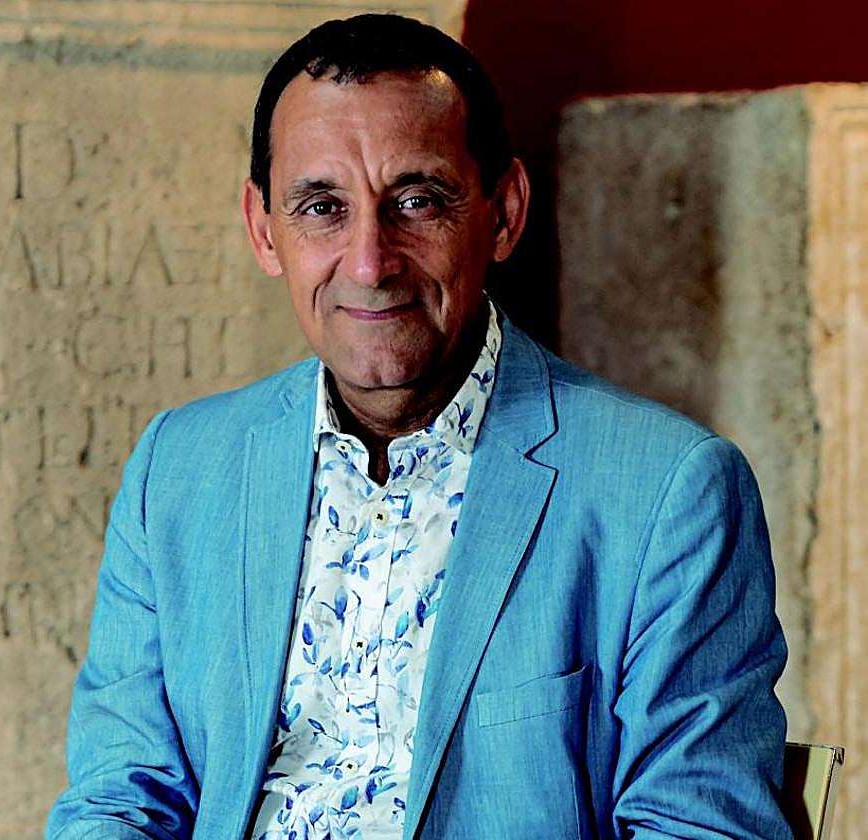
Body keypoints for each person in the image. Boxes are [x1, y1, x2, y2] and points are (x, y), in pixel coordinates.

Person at [45, 14, 790, 839]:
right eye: (321, 207)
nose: (371, 262)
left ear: (503, 213)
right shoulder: (178, 470)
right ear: (263, 229)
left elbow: (702, 827)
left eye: (417, 201)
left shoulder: (668, 493)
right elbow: (118, 799)